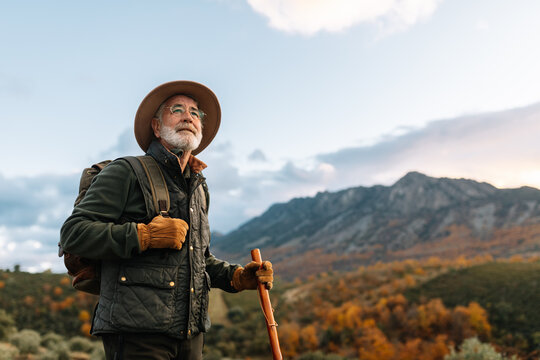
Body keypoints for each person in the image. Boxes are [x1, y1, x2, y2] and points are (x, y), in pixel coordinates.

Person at [60, 81, 273, 360]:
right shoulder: (126, 171)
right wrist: (143, 235)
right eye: (177, 110)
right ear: (157, 127)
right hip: (137, 334)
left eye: (196, 113)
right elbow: (73, 233)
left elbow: (198, 259)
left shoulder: (199, 187)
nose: (189, 116)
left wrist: (237, 277)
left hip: (191, 335)